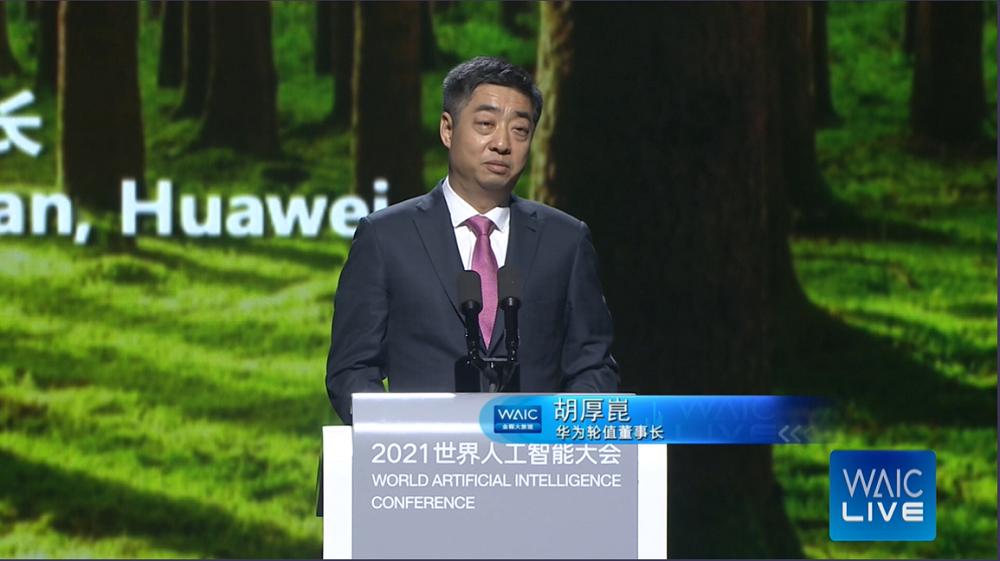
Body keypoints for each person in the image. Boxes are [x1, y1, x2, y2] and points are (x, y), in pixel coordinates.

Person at [326, 56, 618, 424]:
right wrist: (398, 435)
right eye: (485, 124)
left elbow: (593, 367)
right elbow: (351, 369)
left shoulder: (566, 241)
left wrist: (557, 430)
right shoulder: (386, 237)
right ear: (447, 130)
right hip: (421, 454)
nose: (502, 143)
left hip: (535, 455)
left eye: (520, 130)